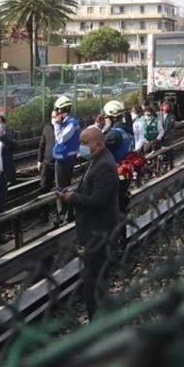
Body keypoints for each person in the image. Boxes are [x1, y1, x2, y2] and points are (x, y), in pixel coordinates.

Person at [58, 127, 119, 319]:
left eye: (84, 143)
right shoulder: (96, 161)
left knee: (94, 281)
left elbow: (98, 201)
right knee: (92, 279)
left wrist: (72, 198)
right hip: (94, 232)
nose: (81, 147)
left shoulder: (105, 166)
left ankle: (97, 321)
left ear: (99, 144)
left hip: (99, 232)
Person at [50, 96, 81, 223]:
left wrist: (56, 124)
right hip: (63, 158)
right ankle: (66, 212)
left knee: (62, 188)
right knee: (63, 186)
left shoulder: (71, 123)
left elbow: (61, 138)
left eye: (57, 110)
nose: (55, 113)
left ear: (61, 110)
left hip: (65, 159)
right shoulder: (66, 122)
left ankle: (65, 214)